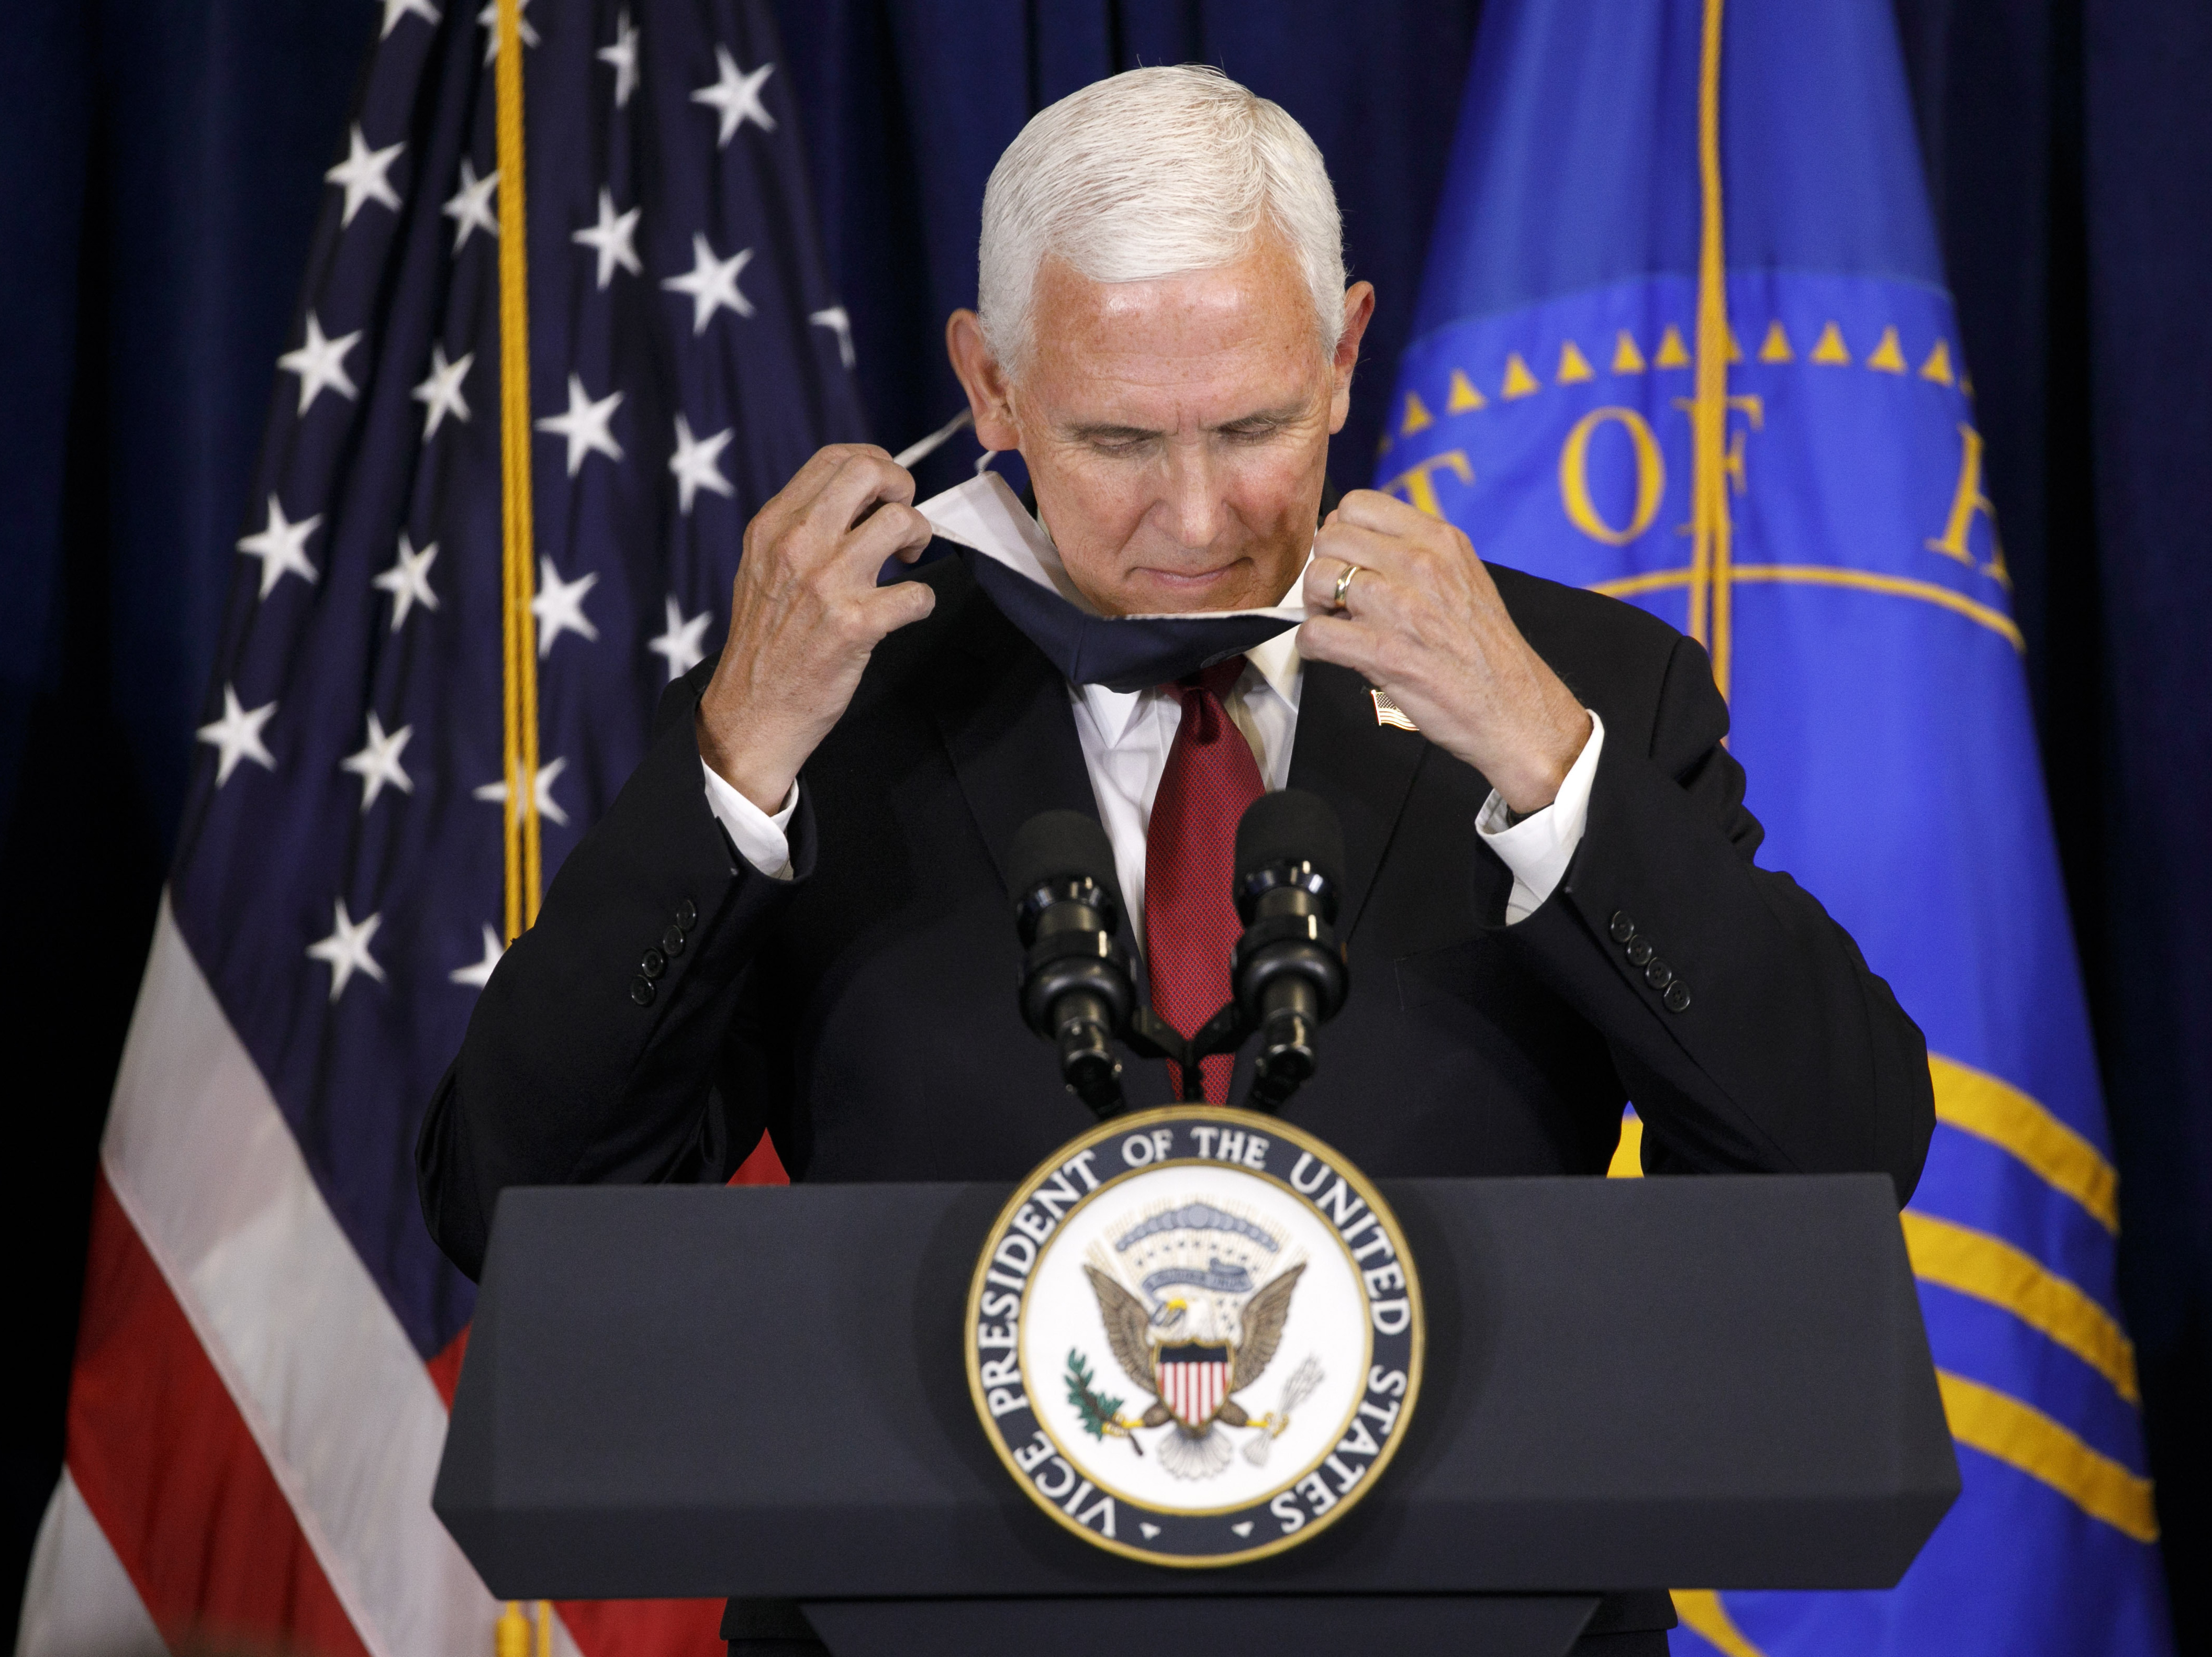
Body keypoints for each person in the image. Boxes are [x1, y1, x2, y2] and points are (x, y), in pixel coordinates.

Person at [418, 68, 1932, 1650]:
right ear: (991, 390)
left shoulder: (1576, 695)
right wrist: (731, 766)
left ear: (1344, 356)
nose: (1198, 515)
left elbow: (1837, 1161)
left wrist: (1549, 770)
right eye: (1119, 440)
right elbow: (517, 1202)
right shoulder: (826, 714)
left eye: (1255, 426)